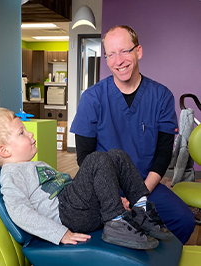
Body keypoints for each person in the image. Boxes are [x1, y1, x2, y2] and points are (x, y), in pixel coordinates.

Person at [0, 107, 172, 249]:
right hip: (68, 215)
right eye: (21, 133)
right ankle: (117, 223)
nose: (29, 134)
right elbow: (19, 212)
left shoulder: (34, 165)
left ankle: (141, 208)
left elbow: (74, 187)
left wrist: (112, 199)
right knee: (96, 159)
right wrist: (59, 233)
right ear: (3, 150)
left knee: (116, 155)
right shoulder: (11, 174)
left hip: (79, 208)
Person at [70, 25, 196, 244]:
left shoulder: (161, 96)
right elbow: (85, 157)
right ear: (106, 59)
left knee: (184, 220)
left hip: (145, 184)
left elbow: (163, 153)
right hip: (102, 187)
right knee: (96, 228)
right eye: (111, 54)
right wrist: (113, 197)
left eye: (125, 51)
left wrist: (138, 194)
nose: (119, 60)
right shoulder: (92, 98)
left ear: (138, 51)